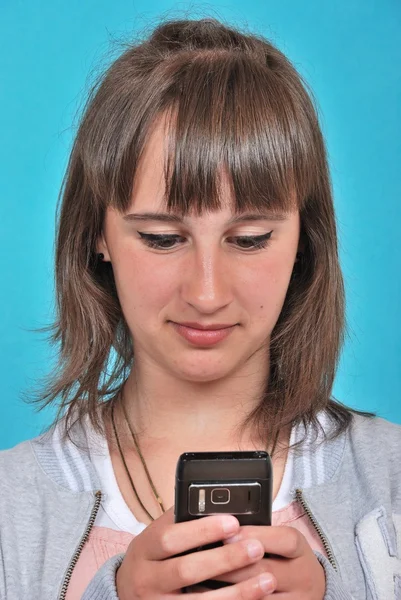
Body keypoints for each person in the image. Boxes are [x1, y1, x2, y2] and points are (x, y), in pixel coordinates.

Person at [0, 16, 400, 600]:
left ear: (304, 242)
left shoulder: (391, 479)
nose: (207, 294)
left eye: (250, 238)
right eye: (162, 238)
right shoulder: (12, 506)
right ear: (97, 234)